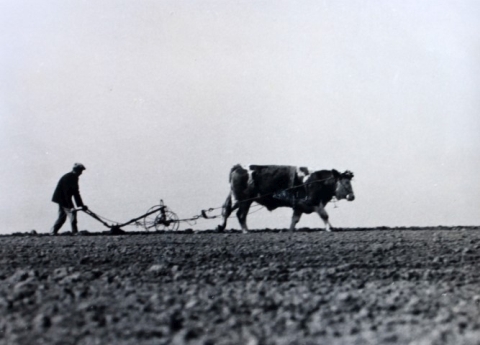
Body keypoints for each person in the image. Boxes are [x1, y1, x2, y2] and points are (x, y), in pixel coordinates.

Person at [50, 163, 88, 235]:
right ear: (76, 170)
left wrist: (81, 205)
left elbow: (76, 193)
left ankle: (53, 231)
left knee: (62, 216)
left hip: (63, 198)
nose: (81, 173)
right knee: (72, 213)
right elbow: (66, 193)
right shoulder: (68, 177)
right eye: (80, 171)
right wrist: (71, 207)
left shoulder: (75, 177)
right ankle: (75, 231)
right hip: (62, 198)